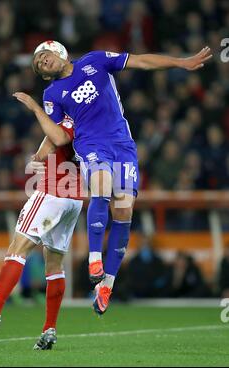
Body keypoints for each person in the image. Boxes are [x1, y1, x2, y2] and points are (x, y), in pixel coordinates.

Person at [13, 40, 212, 315]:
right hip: (91, 144)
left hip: (123, 145)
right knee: (102, 186)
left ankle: (107, 283)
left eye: (44, 56)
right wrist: (36, 110)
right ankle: (95, 260)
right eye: (38, 64)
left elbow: (140, 61)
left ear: (59, 52)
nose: (41, 62)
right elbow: (58, 136)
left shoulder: (95, 60)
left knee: (124, 210)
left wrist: (180, 62)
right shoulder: (52, 94)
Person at [0, 118, 83, 351]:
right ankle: (49, 329)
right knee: (54, 265)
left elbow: (44, 152)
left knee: (18, 249)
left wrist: (35, 111)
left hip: (52, 192)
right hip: (74, 198)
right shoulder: (94, 122)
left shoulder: (68, 118)